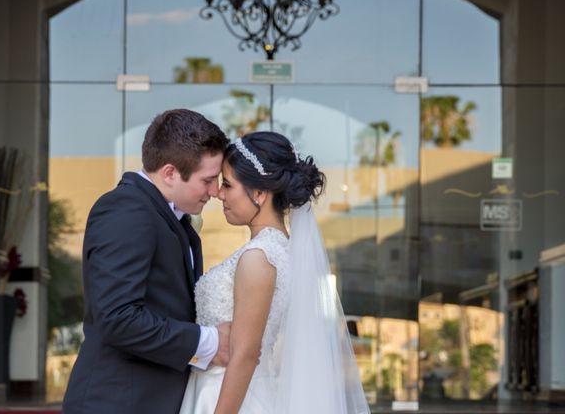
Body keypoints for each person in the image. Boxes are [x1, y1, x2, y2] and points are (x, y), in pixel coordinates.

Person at [180, 131, 370, 414]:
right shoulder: (282, 250)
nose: (219, 193)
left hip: (228, 397)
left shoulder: (258, 258)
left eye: (228, 185)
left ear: (259, 193)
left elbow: (244, 355)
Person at [63, 109, 231, 414]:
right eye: (207, 180)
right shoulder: (126, 210)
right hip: (117, 402)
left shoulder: (169, 216)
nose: (215, 191)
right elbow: (118, 317)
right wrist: (208, 342)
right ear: (169, 173)